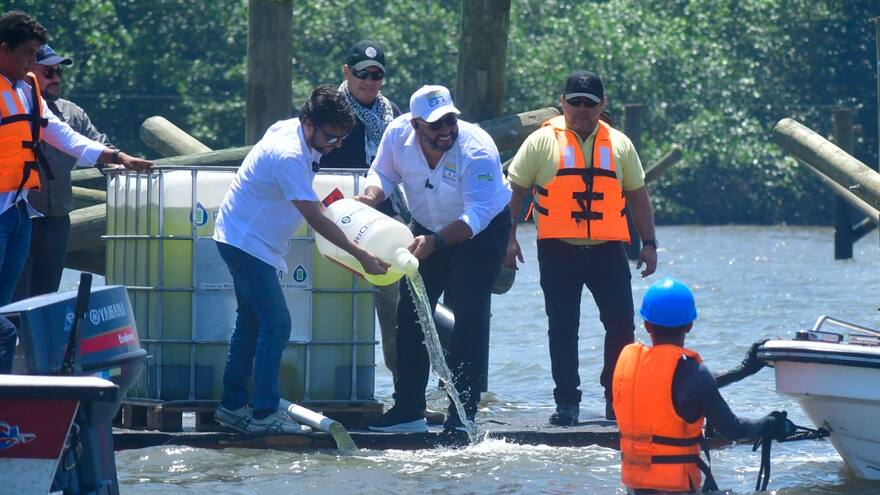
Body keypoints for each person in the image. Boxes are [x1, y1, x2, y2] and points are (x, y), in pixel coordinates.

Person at [212, 84, 389, 434]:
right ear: (308, 123)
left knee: (251, 323)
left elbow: (315, 204)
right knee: (277, 323)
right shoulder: (288, 154)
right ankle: (264, 414)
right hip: (246, 243)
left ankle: (232, 407)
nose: (335, 146)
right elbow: (317, 218)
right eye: (330, 137)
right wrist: (362, 255)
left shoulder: (292, 128)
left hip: (245, 237)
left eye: (341, 138)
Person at [505, 69, 657, 425]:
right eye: (574, 102)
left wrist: (649, 243)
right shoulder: (542, 142)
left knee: (621, 326)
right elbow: (514, 192)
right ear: (562, 102)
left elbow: (638, 195)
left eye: (590, 103)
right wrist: (508, 239)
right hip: (558, 249)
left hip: (608, 249)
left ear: (602, 105)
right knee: (562, 326)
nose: (582, 110)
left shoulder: (619, 144)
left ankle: (615, 398)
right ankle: (567, 403)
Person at [360, 85, 512, 432]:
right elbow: (382, 172)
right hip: (427, 228)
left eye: (449, 121)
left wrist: (436, 241)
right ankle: (409, 409)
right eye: (435, 125)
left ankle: (463, 413)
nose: (445, 130)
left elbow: (476, 216)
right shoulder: (397, 134)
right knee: (409, 314)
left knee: (469, 318)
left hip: (480, 233)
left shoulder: (476, 149)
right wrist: (370, 196)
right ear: (415, 124)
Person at [612, 278, 795, 494]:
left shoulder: (627, 365)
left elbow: (679, 388)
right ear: (689, 325)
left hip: (635, 486)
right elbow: (733, 429)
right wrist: (769, 424)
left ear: (646, 324)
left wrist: (741, 370)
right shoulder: (694, 376)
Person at [319, 39, 408, 385]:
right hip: (334, 222)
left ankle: (405, 394)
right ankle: (330, 387)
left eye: (376, 75)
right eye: (361, 73)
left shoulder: (394, 114)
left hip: (385, 223)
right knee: (335, 308)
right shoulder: (328, 109)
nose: (369, 81)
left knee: (395, 309)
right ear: (346, 72)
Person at [13, 44, 113, 301]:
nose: (56, 79)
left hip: (57, 222)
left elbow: (99, 144)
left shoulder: (73, 114)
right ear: (29, 72)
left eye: (58, 72)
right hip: (20, 220)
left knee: (45, 300)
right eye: (48, 73)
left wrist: (119, 165)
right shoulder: (14, 109)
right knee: (15, 301)